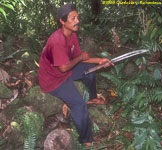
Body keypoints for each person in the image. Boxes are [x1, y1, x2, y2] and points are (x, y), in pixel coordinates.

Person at [38, 4, 112, 146]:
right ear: (62, 21)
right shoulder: (57, 41)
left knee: (90, 69)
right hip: (53, 80)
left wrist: (100, 61)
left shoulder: (72, 35)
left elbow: (80, 57)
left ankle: (92, 98)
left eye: (77, 17)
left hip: (65, 70)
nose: (77, 21)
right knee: (78, 105)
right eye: (73, 18)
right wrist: (79, 59)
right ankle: (87, 141)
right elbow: (64, 68)